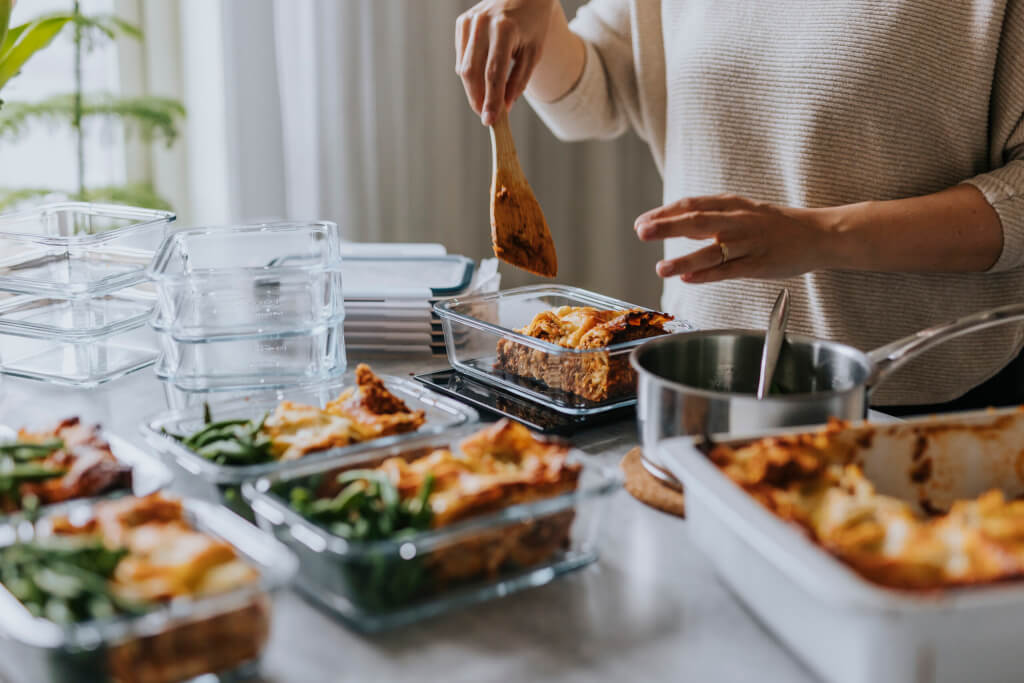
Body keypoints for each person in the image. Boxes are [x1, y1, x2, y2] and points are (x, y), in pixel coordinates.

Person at [454, 0, 1024, 413]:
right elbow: (591, 95)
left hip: (923, 402)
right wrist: (535, 12)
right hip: (696, 384)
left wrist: (825, 236)